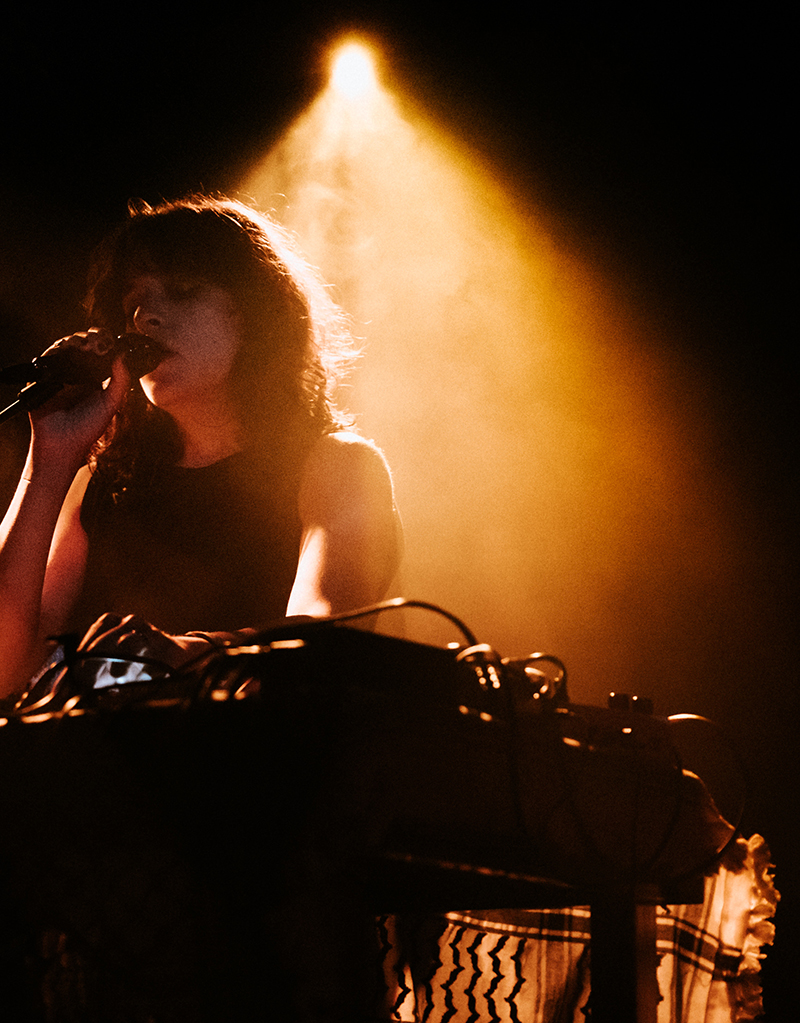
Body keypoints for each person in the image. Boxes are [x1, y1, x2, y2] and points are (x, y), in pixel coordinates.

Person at [0, 194, 402, 701]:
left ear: (257, 314)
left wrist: (185, 654)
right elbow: (3, 668)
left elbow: (322, 636)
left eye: (184, 292)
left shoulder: (338, 463)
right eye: (133, 304)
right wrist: (49, 461)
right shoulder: (97, 485)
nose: (146, 316)